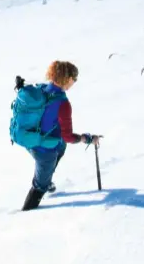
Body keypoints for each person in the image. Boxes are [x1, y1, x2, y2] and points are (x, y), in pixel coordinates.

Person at [22, 60, 101, 211]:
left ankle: (46, 177)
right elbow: (68, 137)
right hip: (44, 150)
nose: (74, 82)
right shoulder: (63, 104)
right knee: (39, 186)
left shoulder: (43, 89)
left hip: (30, 139)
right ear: (68, 79)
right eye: (74, 79)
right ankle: (25, 215)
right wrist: (86, 138)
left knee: (60, 146)